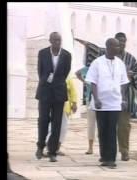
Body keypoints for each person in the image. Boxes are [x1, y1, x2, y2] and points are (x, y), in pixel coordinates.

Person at [85, 38, 129, 168]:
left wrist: (123, 99)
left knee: (111, 130)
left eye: (119, 46)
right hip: (101, 103)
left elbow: (123, 83)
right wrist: (96, 98)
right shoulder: (97, 63)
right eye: (116, 46)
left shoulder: (120, 63)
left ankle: (111, 159)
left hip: (115, 102)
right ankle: (104, 156)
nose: (118, 48)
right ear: (108, 47)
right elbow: (92, 82)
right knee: (102, 130)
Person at [35, 32, 71, 162]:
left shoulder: (66, 55)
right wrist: (46, 82)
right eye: (55, 40)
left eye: (59, 40)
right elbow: (40, 71)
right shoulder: (43, 53)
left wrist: (56, 82)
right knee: (43, 120)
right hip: (45, 92)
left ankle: (52, 151)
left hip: (59, 93)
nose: (57, 42)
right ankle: (40, 146)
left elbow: (65, 73)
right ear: (50, 40)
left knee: (57, 123)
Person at [115, 32, 137, 161]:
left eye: (124, 41)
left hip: (125, 97)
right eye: (119, 41)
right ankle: (109, 150)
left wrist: (131, 75)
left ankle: (124, 150)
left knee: (124, 125)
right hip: (110, 97)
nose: (122, 43)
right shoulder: (109, 58)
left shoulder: (130, 59)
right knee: (109, 126)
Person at [45, 76, 78, 156]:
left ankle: (57, 148)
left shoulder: (68, 76)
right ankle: (49, 148)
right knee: (51, 128)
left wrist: (74, 103)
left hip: (64, 106)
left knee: (63, 128)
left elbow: (73, 91)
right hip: (52, 105)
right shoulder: (49, 75)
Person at [76, 63, 97, 155]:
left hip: (103, 100)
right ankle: (90, 147)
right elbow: (77, 73)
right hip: (90, 99)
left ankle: (96, 147)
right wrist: (84, 81)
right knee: (91, 125)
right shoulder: (89, 68)